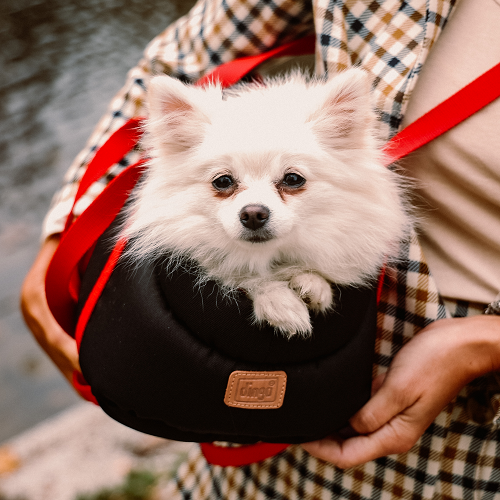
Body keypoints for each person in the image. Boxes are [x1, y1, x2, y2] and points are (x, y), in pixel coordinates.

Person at [21, 0, 500, 497]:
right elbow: (180, 61)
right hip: (254, 396)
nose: (254, 207)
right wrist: (66, 227)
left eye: (290, 181)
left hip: (475, 436)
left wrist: (488, 342)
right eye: (224, 183)